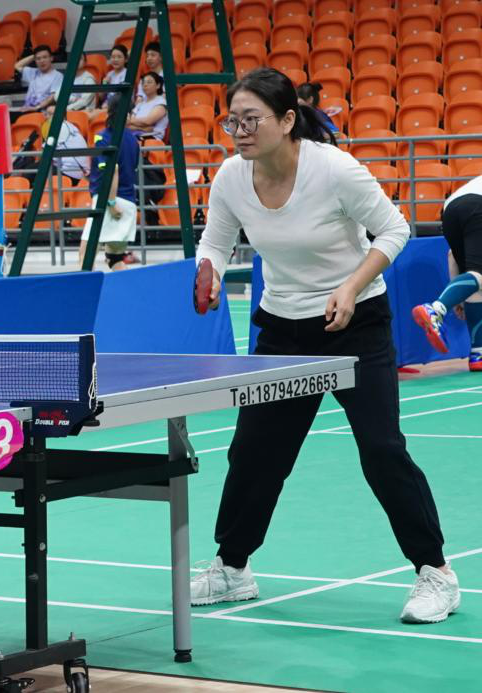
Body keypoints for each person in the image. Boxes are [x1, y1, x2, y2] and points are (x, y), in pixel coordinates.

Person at [193, 67, 458, 623]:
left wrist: (351, 286)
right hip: (282, 329)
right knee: (254, 452)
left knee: (382, 449)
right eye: (232, 121)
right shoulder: (231, 177)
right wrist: (208, 268)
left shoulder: (334, 169)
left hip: (354, 325)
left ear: (287, 120)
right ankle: (233, 568)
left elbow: (396, 229)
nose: (240, 131)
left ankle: (435, 572)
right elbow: (215, 240)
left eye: (251, 119)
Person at [411, 174, 482, 369]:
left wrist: (458, 297)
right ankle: (435, 309)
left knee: (476, 280)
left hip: (450, 210)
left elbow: (452, 256)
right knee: (480, 275)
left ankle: (478, 353)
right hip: (477, 206)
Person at [79, 94, 140, 270]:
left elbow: (113, 171)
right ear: (128, 114)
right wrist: (93, 175)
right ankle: (128, 289)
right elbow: (126, 170)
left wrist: (111, 203)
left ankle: (86, 289)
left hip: (108, 204)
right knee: (115, 259)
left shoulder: (102, 138)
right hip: (128, 204)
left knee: (85, 255)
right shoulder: (134, 141)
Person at [42, 103, 90, 185]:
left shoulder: (59, 128)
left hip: (69, 173)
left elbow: (46, 152)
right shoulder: (68, 126)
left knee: (31, 171)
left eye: (51, 114)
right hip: (75, 172)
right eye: (46, 114)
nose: (47, 117)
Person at [15, 44, 63, 114]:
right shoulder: (33, 72)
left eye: (45, 57)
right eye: (38, 59)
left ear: (51, 58)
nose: (42, 61)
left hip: (43, 112)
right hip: (26, 110)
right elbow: (17, 66)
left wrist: (37, 108)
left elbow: (53, 96)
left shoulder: (58, 76)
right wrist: (33, 56)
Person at [127, 72, 168, 141]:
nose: (145, 85)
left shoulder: (161, 102)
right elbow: (127, 124)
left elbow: (148, 121)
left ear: (158, 85)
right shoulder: (140, 103)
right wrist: (143, 128)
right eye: (143, 83)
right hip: (135, 134)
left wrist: (131, 122)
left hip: (152, 138)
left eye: (149, 82)